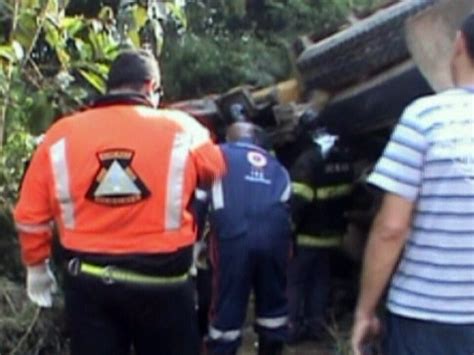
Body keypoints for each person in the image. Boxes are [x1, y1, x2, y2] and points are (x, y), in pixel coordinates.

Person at [14, 49, 226, 355]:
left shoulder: (60, 135)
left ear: (109, 86)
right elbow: (216, 169)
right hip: (164, 287)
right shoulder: (184, 129)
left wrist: (36, 267)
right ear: (150, 86)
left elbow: (30, 215)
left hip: (90, 287)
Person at [351, 13, 474, 355]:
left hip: (425, 317)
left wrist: (365, 311)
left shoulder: (424, 118)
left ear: (459, 45)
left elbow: (392, 228)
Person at [196, 122, 292, 355]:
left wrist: (194, 246)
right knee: (273, 309)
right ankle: (272, 348)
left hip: (232, 241)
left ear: (228, 138)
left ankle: (223, 349)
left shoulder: (216, 156)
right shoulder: (278, 167)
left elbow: (198, 204)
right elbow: (288, 208)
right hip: (275, 243)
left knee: (226, 307)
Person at [287, 131, 354, 343]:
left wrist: (289, 228)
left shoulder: (308, 161)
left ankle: (292, 329)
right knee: (320, 282)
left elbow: (299, 200)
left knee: (295, 282)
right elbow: (349, 196)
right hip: (332, 235)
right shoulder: (344, 159)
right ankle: (317, 326)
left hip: (306, 235)